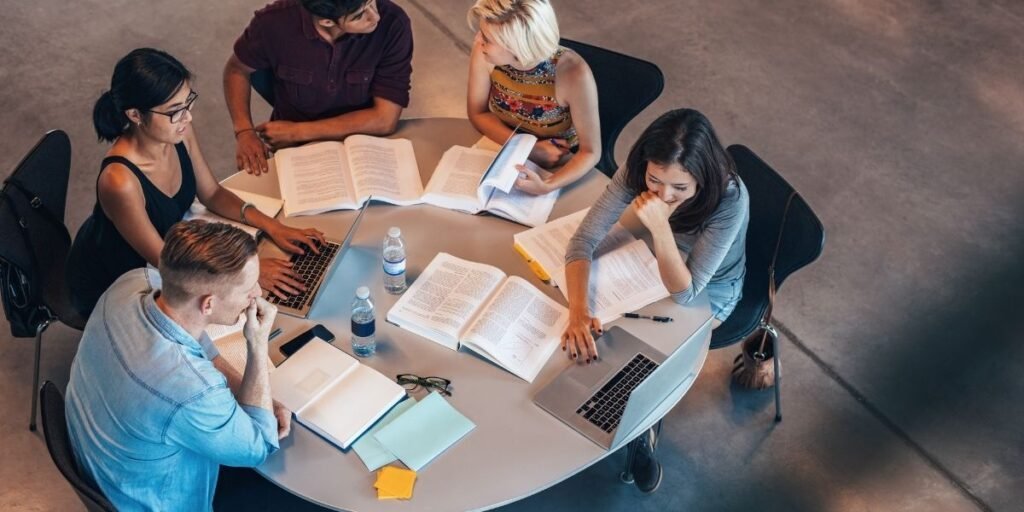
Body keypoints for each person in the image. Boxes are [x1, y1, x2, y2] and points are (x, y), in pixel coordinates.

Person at [561, 109, 749, 493]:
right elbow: (582, 242)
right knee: (602, 331)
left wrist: (660, 226)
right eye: (654, 181)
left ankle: (639, 436)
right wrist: (579, 311)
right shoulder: (637, 171)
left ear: (702, 177)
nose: (663, 195)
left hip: (711, 290)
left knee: (642, 354)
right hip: (650, 259)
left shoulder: (730, 199)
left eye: (680, 188)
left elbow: (688, 292)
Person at [67, 48, 324, 317]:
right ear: (135, 115)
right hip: (120, 278)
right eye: (175, 111)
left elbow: (211, 193)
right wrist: (247, 272)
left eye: (188, 102)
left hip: (174, 246)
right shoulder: (119, 182)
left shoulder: (179, 132)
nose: (187, 117)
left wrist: (272, 225)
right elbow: (165, 261)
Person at [65, 220, 289, 511]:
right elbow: (259, 445)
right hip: (150, 499)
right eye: (248, 288)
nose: (257, 293)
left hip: (102, 465)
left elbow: (204, 353)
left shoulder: (133, 282)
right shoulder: (193, 390)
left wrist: (255, 397)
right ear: (208, 304)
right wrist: (257, 346)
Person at [224, 0, 414, 175]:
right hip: (297, 152)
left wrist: (297, 132)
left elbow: (384, 119)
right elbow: (236, 70)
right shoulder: (272, 24)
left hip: (365, 144)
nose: (375, 16)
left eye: (372, 2)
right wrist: (244, 132)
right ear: (326, 22)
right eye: (359, 15)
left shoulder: (393, 24)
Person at [466, 0, 601, 195]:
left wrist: (547, 186)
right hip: (504, 147)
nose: (477, 40)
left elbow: (591, 152)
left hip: (557, 163)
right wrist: (530, 148)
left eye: (487, 38)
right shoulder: (485, 53)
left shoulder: (573, 73)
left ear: (516, 47)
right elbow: (477, 113)